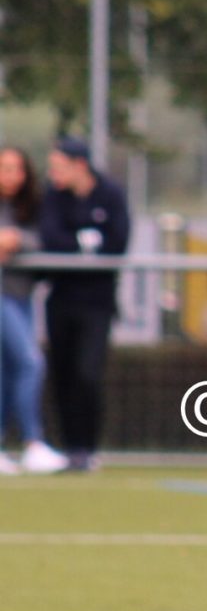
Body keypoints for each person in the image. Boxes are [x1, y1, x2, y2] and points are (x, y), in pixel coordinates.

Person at [39, 136, 130, 472]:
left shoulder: (111, 194)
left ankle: (88, 448)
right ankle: (70, 448)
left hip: (97, 302)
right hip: (61, 299)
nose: (52, 174)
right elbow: (52, 239)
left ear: (80, 165)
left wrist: (77, 245)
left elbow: (117, 243)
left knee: (88, 374)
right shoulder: (53, 197)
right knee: (61, 374)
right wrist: (86, 242)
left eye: (58, 167)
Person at [0, 147, 68, 474]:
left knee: (8, 370)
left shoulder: (31, 207)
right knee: (31, 362)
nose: (10, 176)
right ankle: (32, 441)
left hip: (21, 295)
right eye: (4, 168)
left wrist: (16, 241)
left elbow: (44, 240)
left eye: (16, 169)